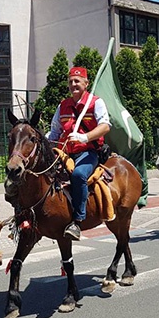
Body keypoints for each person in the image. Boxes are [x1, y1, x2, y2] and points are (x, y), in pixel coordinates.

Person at [47, 66, 111, 241]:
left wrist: (85, 137)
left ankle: (77, 220)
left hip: (88, 152)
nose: (73, 84)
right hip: (66, 152)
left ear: (86, 83)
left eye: (77, 81)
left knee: (78, 175)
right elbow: (54, 131)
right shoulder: (63, 105)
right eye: (70, 81)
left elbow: (105, 126)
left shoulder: (96, 102)